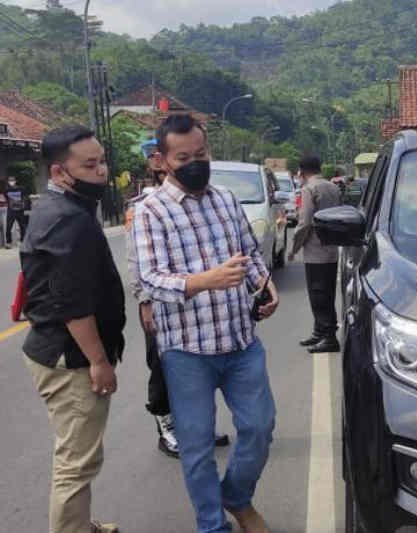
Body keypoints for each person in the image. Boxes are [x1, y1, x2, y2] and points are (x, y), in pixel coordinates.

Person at [132, 114, 279, 533]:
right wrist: (203, 281)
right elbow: (151, 279)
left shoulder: (227, 200)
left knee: (259, 427)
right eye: (184, 157)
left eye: (202, 154)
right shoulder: (150, 212)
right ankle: (213, 525)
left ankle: (236, 495)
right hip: (186, 350)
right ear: (162, 160)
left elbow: (249, 253)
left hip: (239, 341)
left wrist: (264, 285)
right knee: (197, 448)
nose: (196, 162)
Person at [21, 125, 125, 533]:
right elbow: (72, 304)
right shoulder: (67, 219)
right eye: (90, 164)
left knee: (76, 455)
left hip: (53, 349)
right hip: (70, 357)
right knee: (77, 463)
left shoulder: (61, 209)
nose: (101, 171)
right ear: (60, 172)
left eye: (101, 161)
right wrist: (99, 361)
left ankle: (79, 524)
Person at [126, 138, 229, 458]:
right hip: (161, 300)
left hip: (199, 299)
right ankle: (166, 425)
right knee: (161, 365)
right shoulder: (142, 206)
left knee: (200, 367)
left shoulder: (205, 198)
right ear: (156, 162)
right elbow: (137, 261)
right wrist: (145, 301)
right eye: (159, 158)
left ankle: (198, 427)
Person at [288, 155, 342, 354]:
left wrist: (293, 249)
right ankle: (320, 332)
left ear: (302, 172)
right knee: (327, 293)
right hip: (332, 248)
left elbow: (304, 223)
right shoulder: (332, 187)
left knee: (318, 295)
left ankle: (328, 337)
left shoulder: (309, 189)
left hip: (315, 251)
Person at [6, 174, 27, 248]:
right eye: (10, 181)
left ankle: (23, 241)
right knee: (8, 227)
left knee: (22, 226)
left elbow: (24, 197)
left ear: (15, 181)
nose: (11, 182)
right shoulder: (7, 190)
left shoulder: (21, 189)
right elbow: (7, 199)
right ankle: (8, 243)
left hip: (20, 210)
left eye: (12, 180)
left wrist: (23, 205)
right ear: (8, 182)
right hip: (11, 211)